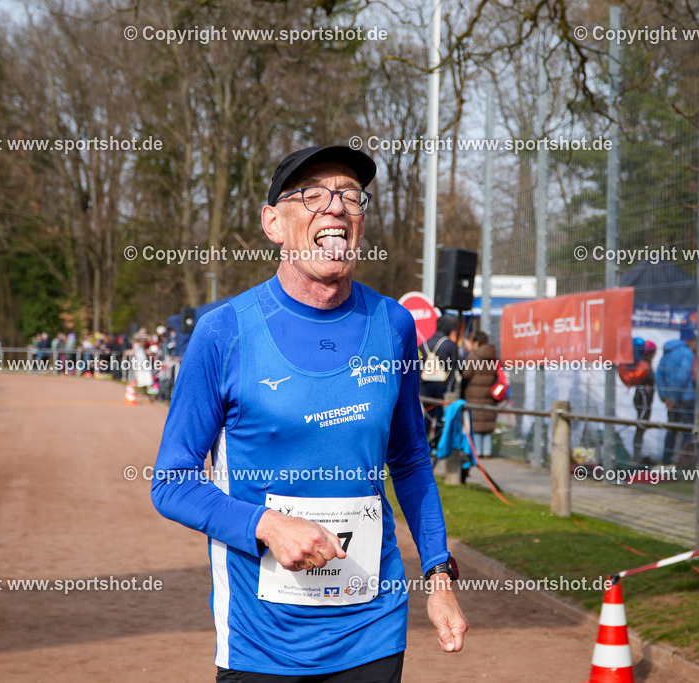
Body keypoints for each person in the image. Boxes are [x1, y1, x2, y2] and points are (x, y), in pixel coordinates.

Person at [152, 145, 466, 681]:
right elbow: (172, 482)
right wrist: (267, 525)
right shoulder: (223, 332)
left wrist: (439, 578)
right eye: (313, 195)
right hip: (261, 640)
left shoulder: (392, 326)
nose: (336, 208)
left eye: (349, 196)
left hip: (372, 626)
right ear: (273, 223)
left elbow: (411, 461)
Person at [656, 328, 696, 465]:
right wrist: (673, 397)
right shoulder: (687, 353)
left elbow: (659, 376)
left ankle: (667, 461)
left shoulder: (666, 354)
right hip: (686, 398)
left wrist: (665, 397)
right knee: (688, 431)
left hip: (670, 401)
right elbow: (683, 376)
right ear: (689, 339)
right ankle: (684, 463)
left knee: (671, 431)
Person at [418, 314, 459, 442]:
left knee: (428, 415)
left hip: (425, 384)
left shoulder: (424, 344)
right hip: (442, 385)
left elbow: (416, 365)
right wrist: (448, 384)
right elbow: (454, 366)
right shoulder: (450, 345)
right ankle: (437, 443)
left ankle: (425, 444)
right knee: (441, 415)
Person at [460, 330, 499, 458]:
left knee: (476, 426)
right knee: (487, 426)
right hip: (489, 396)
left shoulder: (473, 358)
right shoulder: (493, 358)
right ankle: (487, 452)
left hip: (474, 396)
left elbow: (465, 375)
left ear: (476, 343)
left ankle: (476, 454)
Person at [617, 338, 656, 466]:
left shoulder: (644, 365)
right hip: (643, 400)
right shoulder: (643, 366)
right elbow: (646, 381)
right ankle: (636, 458)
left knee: (641, 427)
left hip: (643, 400)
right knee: (641, 427)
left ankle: (637, 456)